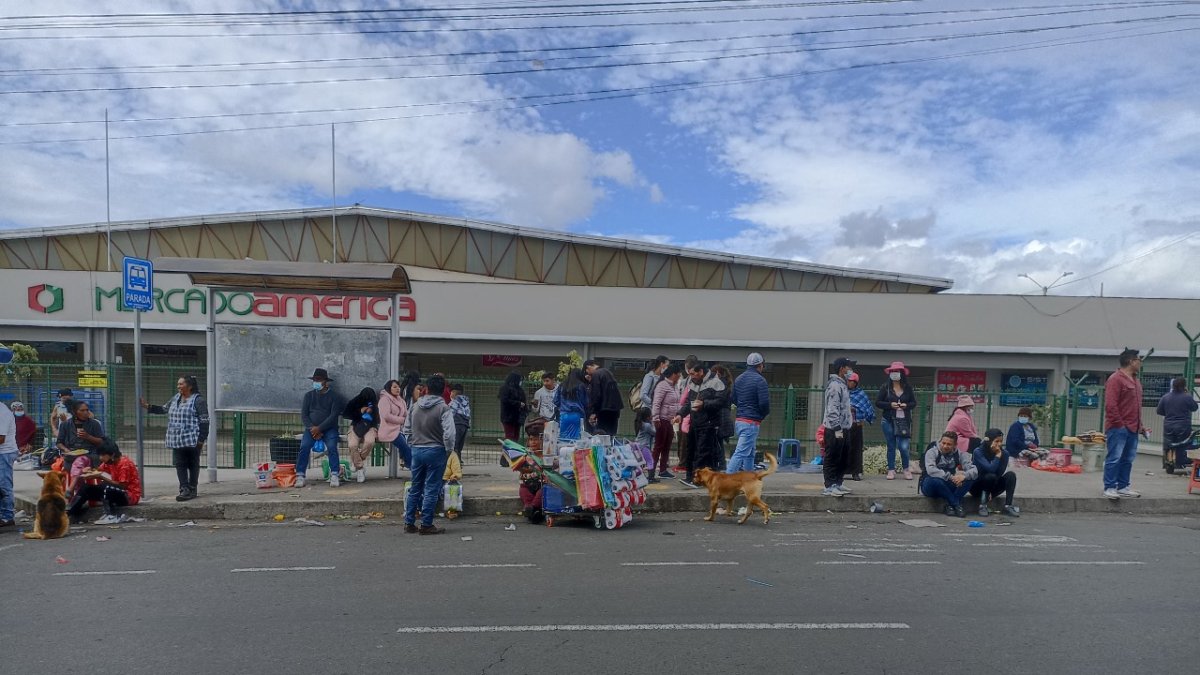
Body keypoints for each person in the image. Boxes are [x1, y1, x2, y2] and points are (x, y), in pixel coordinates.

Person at [141, 375, 210, 501]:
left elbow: (204, 421)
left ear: (189, 386)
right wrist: (148, 406)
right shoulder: (176, 398)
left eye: (181, 384)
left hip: (192, 439)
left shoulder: (198, 400)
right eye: (178, 384)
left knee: (193, 463)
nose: (178, 386)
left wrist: (201, 439)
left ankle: (192, 488)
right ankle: (184, 489)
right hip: (177, 439)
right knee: (180, 464)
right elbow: (164, 409)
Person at [403, 374, 456, 535]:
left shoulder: (415, 406)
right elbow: (449, 434)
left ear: (427, 388)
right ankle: (426, 524)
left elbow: (406, 429)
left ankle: (409, 522)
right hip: (436, 450)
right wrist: (448, 450)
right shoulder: (444, 408)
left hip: (417, 450)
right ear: (443, 390)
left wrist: (412, 444)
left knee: (416, 486)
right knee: (432, 488)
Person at [1103, 348, 1149, 499]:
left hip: (1133, 427)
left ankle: (1123, 486)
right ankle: (1109, 487)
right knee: (1114, 457)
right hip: (1118, 427)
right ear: (1131, 361)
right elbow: (1111, 405)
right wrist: (1119, 424)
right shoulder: (1115, 379)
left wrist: (1140, 427)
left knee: (1128, 459)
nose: (1140, 363)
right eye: (1138, 360)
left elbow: (1135, 407)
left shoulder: (1136, 381)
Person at [67, 443, 141, 525]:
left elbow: (122, 486)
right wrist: (89, 470)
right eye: (100, 455)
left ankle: (111, 515)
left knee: (106, 486)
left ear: (112, 454)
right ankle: (69, 513)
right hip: (116, 492)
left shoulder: (125, 463)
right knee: (86, 488)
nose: (100, 458)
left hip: (129, 496)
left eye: (102, 455)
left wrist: (101, 477)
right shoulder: (109, 462)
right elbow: (98, 469)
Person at [295, 368, 346, 488]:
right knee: (304, 446)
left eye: (319, 380)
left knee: (332, 446)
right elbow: (304, 415)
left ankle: (334, 474)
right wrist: (312, 428)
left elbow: (333, 416)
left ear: (325, 382)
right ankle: (300, 475)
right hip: (311, 429)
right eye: (315, 380)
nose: (316, 382)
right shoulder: (308, 396)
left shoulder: (335, 397)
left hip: (329, 429)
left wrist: (320, 428)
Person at [685, 366, 729, 486]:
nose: (691, 376)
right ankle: (689, 477)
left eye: (693, 373)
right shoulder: (693, 383)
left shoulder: (716, 383)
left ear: (701, 372)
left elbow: (721, 402)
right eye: (690, 374)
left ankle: (697, 480)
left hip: (708, 424)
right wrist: (680, 414)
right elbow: (688, 403)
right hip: (694, 423)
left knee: (703, 452)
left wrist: (704, 404)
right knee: (691, 451)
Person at [729, 353, 770, 474]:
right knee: (741, 453)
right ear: (761, 365)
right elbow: (764, 404)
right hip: (751, 422)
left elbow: (733, 398)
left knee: (750, 453)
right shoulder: (760, 380)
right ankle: (725, 481)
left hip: (740, 420)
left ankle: (748, 480)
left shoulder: (739, 379)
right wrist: (762, 415)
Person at [875, 361, 917, 480]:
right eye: (892, 371)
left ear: (902, 373)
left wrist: (906, 405)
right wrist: (890, 405)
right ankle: (891, 470)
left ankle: (906, 469)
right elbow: (878, 402)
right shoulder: (885, 387)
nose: (894, 374)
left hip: (903, 421)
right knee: (891, 445)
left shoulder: (908, 388)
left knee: (904, 447)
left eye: (897, 371)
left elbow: (913, 403)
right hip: (888, 419)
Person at [921, 431, 977, 517]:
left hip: (948, 484)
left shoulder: (960, 454)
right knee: (936, 481)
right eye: (943, 443)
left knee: (971, 479)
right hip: (930, 485)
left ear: (955, 445)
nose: (945, 446)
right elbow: (931, 470)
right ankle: (956, 504)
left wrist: (963, 477)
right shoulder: (932, 452)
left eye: (949, 444)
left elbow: (974, 471)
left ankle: (950, 505)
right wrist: (951, 477)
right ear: (940, 441)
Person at [822, 357, 855, 497]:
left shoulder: (843, 385)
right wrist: (837, 428)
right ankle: (829, 486)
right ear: (842, 368)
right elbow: (832, 408)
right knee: (833, 456)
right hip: (835, 429)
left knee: (843, 457)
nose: (850, 370)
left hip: (845, 428)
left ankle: (838, 483)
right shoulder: (835, 386)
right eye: (848, 367)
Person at [970, 428, 1020, 517]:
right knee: (990, 475)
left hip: (992, 486)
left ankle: (1008, 505)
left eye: (1001, 441)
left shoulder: (1005, 453)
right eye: (996, 441)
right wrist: (997, 456)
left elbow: (999, 473)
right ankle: (983, 505)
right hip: (977, 486)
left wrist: (990, 490)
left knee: (1011, 475)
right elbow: (990, 469)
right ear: (988, 441)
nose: (999, 444)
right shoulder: (978, 452)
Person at [1157, 377, 1197, 474]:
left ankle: (1169, 463)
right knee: (1183, 443)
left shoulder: (1165, 397)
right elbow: (1194, 408)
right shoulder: (1187, 396)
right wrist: (1187, 393)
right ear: (1184, 386)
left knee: (1169, 444)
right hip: (1183, 425)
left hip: (1168, 425)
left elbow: (1159, 411)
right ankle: (1181, 462)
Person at [650, 364, 683, 481]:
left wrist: (678, 414)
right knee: (658, 446)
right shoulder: (662, 385)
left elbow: (677, 403)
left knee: (667, 446)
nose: (680, 377)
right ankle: (651, 472)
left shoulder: (674, 386)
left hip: (670, 420)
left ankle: (663, 470)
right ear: (674, 374)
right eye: (679, 374)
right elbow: (656, 403)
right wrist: (655, 418)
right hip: (662, 419)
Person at [343, 386, 379, 483]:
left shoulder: (376, 403)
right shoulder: (356, 401)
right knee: (352, 445)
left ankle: (356, 462)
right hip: (356, 425)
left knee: (369, 442)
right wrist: (360, 411)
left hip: (371, 426)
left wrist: (372, 411)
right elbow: (346, 414)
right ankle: (360, 468)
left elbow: (378, 419)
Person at [846, 373, 875, 481]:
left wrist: (855, 409)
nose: (850, 383)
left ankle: (856, 472)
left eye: (852, 381)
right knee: (844, 448)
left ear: (856, 383)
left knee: (856, 449)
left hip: (857, 425)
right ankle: (843, 471)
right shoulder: (843, 393)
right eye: (849, 381)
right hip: (845, 425)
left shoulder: (861, 394)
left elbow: (867, 409)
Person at [377, 379, 410, 469]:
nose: (398, 389)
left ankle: (408, 464)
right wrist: (402, 420)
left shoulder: (401, 400)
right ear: (389, 388)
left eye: (398, 387)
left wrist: (408, 420)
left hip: (401, 429)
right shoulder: (384, 399)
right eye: (395, 387)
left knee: (410, 445)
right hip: (389, 430)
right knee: (406, 447)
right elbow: (386, 415)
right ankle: (413, 468)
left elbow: (406, 414)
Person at [588, 364, 624, 436]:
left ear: (590, 366)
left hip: (604, 410)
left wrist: (593, 412)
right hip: (615, 409)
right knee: (611, 435)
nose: (587, 373)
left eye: (587, 370)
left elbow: (596, 395)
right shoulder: (608, 373)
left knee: (603, 435)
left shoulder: (596, 375)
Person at [554, 368, 589, 441]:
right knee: (577, 439)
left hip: (563, 415)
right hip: (578, 415)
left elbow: (556, 401)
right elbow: (585, 402)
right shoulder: (581, 386)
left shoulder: (562, 385)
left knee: (563, 438)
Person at [498, 371, 528, 448]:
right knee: (510, 436)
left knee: (515, 436)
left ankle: (514, 452)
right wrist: (518, 403)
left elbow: (524, 401)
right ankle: (508, 453)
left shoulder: (520, 390)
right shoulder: (505, 388)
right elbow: (505, 400)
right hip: (508, 416)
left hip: (517, 417)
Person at [0, 401, 16, 528]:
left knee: (4, 485)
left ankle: (7, 516)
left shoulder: (2, 412)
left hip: (4, 453)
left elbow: (1, 438)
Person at [518, 457, 544, 523]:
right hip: (528, 484)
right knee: (523, 490)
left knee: (542, 493)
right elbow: (521, 473)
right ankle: (530, 510)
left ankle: (533, 510)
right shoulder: (525, 457)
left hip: (542, 484)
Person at [449, 383, 471, 459]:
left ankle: (455, 460)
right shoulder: (466, 401)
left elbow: (451, 412)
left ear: (454, 392)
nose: (450, 394)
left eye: (451, 392)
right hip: (465, 424)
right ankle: (459, 459)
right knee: (460, 444)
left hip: (457, 423)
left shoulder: (454, 401)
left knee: (455, 443)